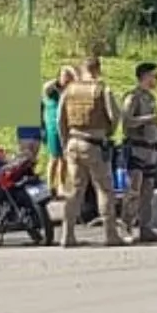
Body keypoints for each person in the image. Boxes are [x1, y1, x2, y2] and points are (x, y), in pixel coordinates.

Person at [58, 56, 123, 247]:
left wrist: (65, 143)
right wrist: (109, 132)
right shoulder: (102, 89)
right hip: (94, 144)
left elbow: (59, 120)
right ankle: (110, 235)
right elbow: (115, 115)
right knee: (103, 189)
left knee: (74, 190)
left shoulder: (69, 90)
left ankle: (67, 235)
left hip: (73, 143)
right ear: (98, 69)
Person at [120, 62, 157, 244]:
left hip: (151, 150)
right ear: (145, 76)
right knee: (134, 190)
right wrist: (148, 119)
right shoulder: (133, 97)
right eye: (154, 76)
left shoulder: (150, 98)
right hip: (136, 149)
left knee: (148, 192)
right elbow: (126, 122)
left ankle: (145, 227)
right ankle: (126, 226)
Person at [43, 66, 77, 194]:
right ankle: (50, 186)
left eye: (69, 76)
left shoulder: (70, 91)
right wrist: (59, 81)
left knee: (64, 158)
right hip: (53, 127)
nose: (67, 79)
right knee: (54, 157)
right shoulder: (52, 90)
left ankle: (61, 185)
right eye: (65, 76)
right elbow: (46, 87)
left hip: (67, 127)